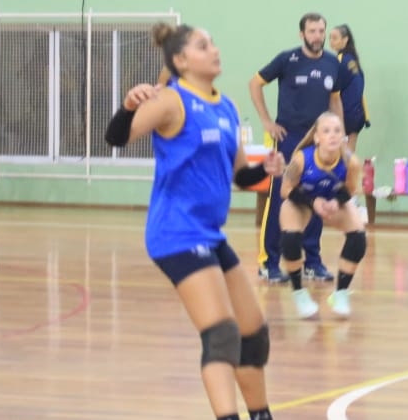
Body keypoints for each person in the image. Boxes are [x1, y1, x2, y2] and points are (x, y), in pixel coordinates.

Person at [103, 22, 283, 420]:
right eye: (204, 46)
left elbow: (240, 176)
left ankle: (261, 415)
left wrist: (267, 169)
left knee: (254, 335)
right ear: (181, 60)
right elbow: (116, 137)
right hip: (176, 233)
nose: (214, 49)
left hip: (209, 233)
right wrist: (130, 104)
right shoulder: (171, 101)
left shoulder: (227, 107)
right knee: (221, 334)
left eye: (213, 43)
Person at [249, 12, 347, 283]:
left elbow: (335, 100)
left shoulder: (331, 63)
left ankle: (312, 262)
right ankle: (269, 262)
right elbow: (255, 83)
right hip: (289, 139)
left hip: (318, 141)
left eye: (321, 31)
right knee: (282, 198)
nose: (317, 36)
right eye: (312, 31)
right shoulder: (287, 59)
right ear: (301, 34)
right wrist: (267, 121)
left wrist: (338, 133)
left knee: (318, 193)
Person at [277, 112, 367, 319]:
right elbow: (285, 190)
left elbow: (351, 189)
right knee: (290, 239)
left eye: (337, 131)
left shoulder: (351, 162)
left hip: (331, 202)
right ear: (317, 137)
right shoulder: (301, 159)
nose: (333, 135)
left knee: (358, 238)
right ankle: (299, 293)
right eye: (326, 131)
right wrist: (312, 202)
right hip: (303, 202)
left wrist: (336, 202)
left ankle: (341, 293)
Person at [329, 24, 369, 153]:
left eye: (335, 38)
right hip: (357, 115)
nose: (331, 41)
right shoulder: (353, 60)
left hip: (345, 115)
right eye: (330, 38)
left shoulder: (339, 61)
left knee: (342, 157)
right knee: (350, 155)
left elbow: (334, 92)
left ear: (345, 40)